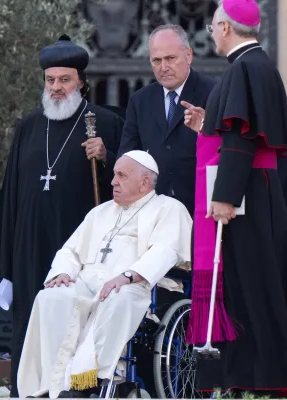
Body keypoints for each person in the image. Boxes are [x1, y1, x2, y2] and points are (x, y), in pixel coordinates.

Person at [182, 0, 287, 396]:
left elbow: (242, 136)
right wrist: (204, 128)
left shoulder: (244, 67)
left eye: (213, 25)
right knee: (260, 285)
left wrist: (225, 196)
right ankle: (258, 376)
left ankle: (258, 377)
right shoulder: (257, 65)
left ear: (227, 28)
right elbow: (238, 135)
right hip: (258, 191)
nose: (211, 31)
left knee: (251, 288)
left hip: (245, 197)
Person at [0, 35, 124, 397]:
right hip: (29, 244)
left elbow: (130, 186)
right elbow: (12, 189)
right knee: (29, 321)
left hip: (78, 244)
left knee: (74, 320)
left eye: (65, 80)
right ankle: (27, 391)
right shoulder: (29, 126)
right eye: (51, 80)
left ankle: (73, 393)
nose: (57, 87)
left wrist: (107, 156)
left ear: (81, 81)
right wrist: (7, 255)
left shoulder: (104, 123)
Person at [17, 151, 192, 398]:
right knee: (52, 298)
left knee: (118, 298)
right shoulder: (100, 212)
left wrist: (129, 275)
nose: (113, 182)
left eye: (121, 175)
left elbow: (166, 251)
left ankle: (85, 384)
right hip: (88, 280)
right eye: (114, 175)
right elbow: (70, 250)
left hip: (137, 284)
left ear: (144, 182)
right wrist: (63, 273)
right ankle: (49, 385)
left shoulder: (169, 208)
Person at [118, 24, 215, 214]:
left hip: (199, 206)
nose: (163, 67)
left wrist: (205, 126)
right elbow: (129, 154)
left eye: (170, 58)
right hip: (152, 209)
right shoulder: (140, 100)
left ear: (188, 55)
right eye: (156, 60)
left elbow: (226, 149)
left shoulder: (213, 93)